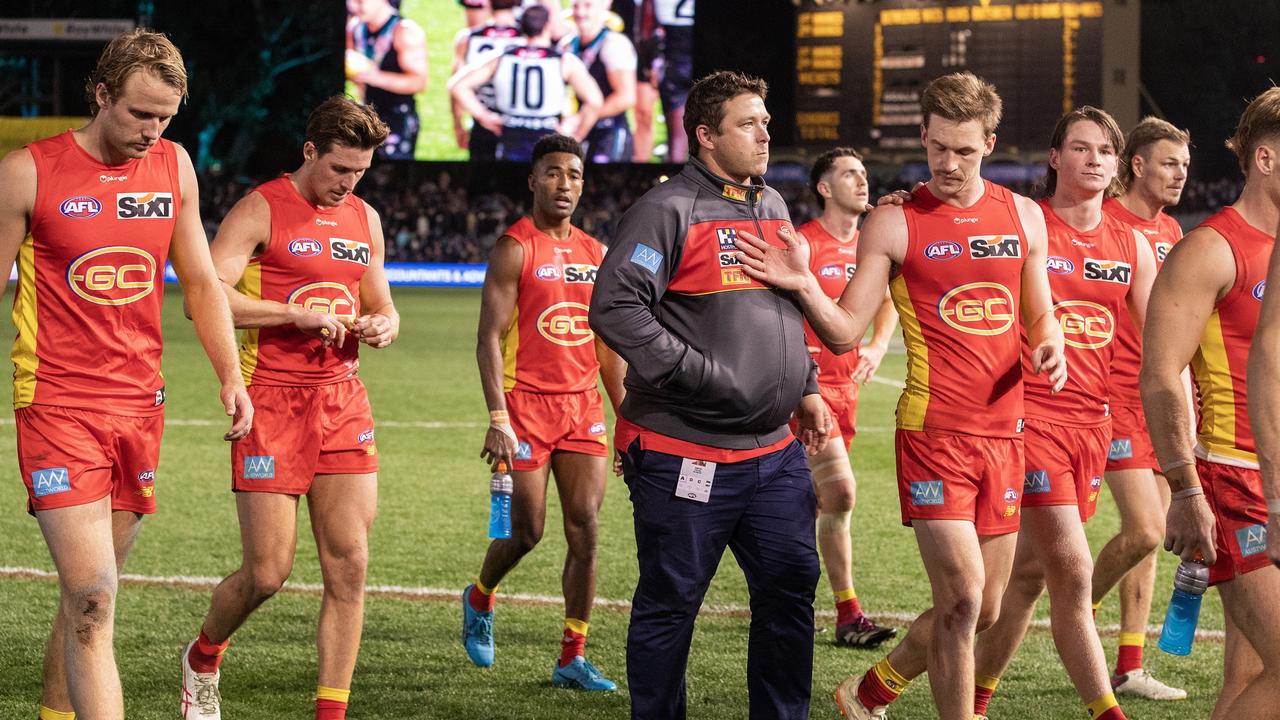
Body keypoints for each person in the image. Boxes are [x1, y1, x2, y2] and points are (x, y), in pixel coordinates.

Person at [735, 71, 1065, 720]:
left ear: (990, 143)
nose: (948, 162)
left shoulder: (1025, 216)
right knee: (966, 598)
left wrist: (1049, 341)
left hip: (1006, 436)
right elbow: (845, 332)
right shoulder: (892, 221)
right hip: (934, 433)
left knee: (984, 609)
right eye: (938, 146)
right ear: (923, 134)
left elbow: (1041, 315)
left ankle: (870, 691)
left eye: (964, 150)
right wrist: (803, 285)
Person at [0, 29, 252, 720]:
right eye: (140, 114)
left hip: (140, 409)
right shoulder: (28, 171)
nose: (152, 131)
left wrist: (230, 375)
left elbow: (201, 282)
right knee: (93, 596)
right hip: (56, 405)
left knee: (88, 597)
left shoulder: (174, 168)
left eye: (165, 118)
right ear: (100, 94)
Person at [590, 70, 832, 720]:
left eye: (765, 123)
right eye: (748, 124)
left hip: (774, 455)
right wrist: (695, 371)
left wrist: (805, 385)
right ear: (705, 134)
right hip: (684, 454)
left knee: (789, 592)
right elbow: (615, 307)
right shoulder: (666, 209)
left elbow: (783, 305)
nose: (764, 134)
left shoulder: (773, 207)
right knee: (671, 604)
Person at [179, 96, 398, 720]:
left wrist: (383, 325)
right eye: (338, 170)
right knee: (268, 572)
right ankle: (203, 654)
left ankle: (331, 712)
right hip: (269, 401)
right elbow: (204, 299)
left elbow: (381, 302)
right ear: (310, 152)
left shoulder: (365, 219)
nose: (347, 184)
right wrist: (292, 313)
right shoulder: (259, 208)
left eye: (359, 172)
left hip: (343, 401)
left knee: (349, 566)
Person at [968, 106, 1153, 720]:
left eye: (1105, 150)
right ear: (1054, 158)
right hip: (1029, 423)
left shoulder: (1130, 244)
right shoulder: (1023, 222)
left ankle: (938, 694)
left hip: (1093, 428)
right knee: (1073, 574)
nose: (1094, 159)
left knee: (1024, 581)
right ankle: (1107, 712)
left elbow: (1163, 340)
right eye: (1079, 148)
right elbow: (954, 219)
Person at [462, 134, 625, 692]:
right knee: (528, 530)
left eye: (574, 175)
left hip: (583, 410)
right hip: (524, 408)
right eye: (553, 173)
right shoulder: (515, 247)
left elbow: (607, 347)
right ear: (533, 181)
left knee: (587, 530)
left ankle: (571, 657)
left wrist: (625, 420)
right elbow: (488, 338)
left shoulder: (596, 253)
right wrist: (497, 416)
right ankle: (481, 595)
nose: (564, 184)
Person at [1144, 86, 1280, 720]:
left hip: (1273, 476)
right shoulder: (1210, 249)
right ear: (1264, 159)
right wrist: (1185, 489)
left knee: (1252, 676)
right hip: (1236, 480)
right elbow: (1162, 376)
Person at [1090, 116, 1191, 701]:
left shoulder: (1174, 230)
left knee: (1154, 535)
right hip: (1112, 397)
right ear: (1136, 165)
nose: (1180, 173)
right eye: (1168, 163)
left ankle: (1129, 665)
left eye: (1183, 164)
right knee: (1147, 530)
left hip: (1161, 399)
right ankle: (1075, 609)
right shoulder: (1104, 221)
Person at [796, 147, 898, 648]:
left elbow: (888, 300)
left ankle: (809, 605)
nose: (862, 181)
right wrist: (801, 380)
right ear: (824, 188)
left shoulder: (869, 247)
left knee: (814, 506)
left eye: (864, 173)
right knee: (841, 494)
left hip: (847, 392)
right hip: (807, 395)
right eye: (849, 174)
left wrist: (878, 346)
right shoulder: (803, 245)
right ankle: (849, 613)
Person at [449, 5, 603, 163]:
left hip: (510, 140)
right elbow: (595, 101)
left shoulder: (501, 57)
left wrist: (484, 116)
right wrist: (577, 135)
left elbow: (457, 85)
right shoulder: (564, 61)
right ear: (547, 26)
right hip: (548, 141)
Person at [345, 0, 428, 159]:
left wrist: (377, 77)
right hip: (367, 114)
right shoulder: (355, 27)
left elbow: (420, 82)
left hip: (398, 119)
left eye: (360, 1)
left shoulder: (405, 32)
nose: (353, 7)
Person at [562, 0, 638, 163]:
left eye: (588, 6)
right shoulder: (568, 45)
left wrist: (583, 117)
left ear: (605, 5)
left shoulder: (614, 44)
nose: (580, 13)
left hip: (609, 132)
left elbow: (626, 97)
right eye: (576, 6)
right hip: (579, 131)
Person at [451, 0, 523, 161]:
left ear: (488, 4)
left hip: (482, 121)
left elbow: (457, 81)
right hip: (518, 121)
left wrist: (458, 124)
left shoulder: (468, 38)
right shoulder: (528, 38)